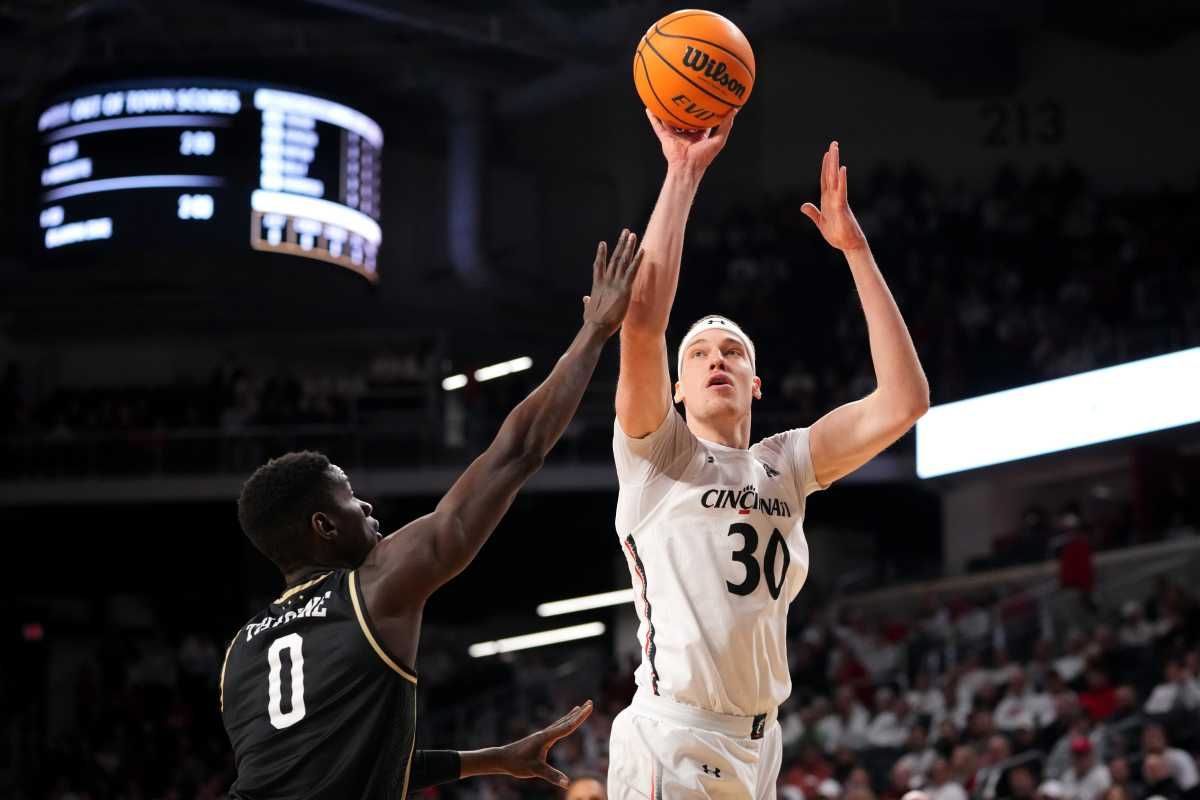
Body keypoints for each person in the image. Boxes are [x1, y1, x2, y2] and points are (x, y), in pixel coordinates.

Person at [220, 231, 645, 798]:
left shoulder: (241, 653)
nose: (366, 505)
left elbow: (333, 766)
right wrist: (595, 331)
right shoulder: (373, 588)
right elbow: (515, 453)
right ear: (322, 526)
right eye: (348, 496)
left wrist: (491, 758)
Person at [607, 108, 930, 799]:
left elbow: (904, 401)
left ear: (755, 383)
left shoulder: (784, 464)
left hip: (761, 744)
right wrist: (683, 172)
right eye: (698, 354)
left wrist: (856, 252)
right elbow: (641, 321)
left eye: (732, 352)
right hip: (675, 737)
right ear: (678, 387)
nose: (715, 359)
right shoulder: (656, 456)